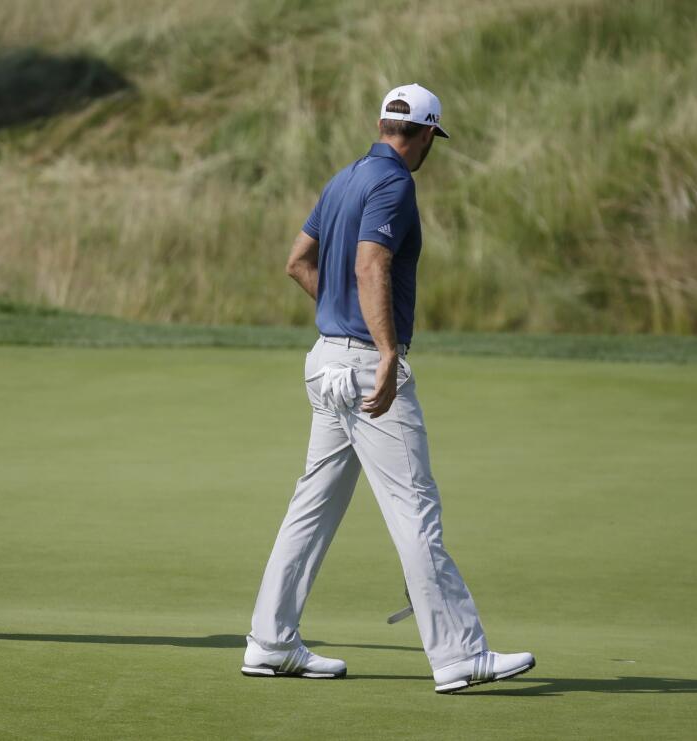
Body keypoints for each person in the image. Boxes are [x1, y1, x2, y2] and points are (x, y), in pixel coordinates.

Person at [243, 83, 535, 694]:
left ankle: (270, 642)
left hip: (325, 363)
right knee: (414, 509)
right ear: (427, 134)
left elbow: (299, 259)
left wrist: (338, 318)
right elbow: (371, 263)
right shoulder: (397, 184)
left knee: (312, 507)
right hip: (364, 369)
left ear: (382, 125)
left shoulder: (344, 177)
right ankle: (459, 654)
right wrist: (380, 350)